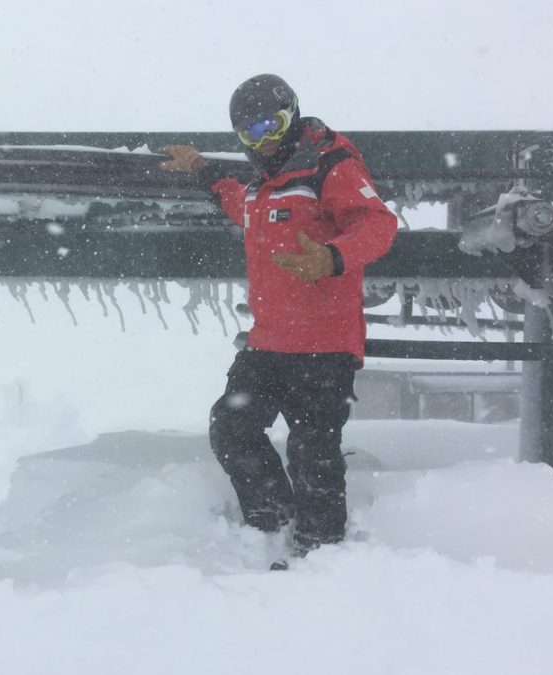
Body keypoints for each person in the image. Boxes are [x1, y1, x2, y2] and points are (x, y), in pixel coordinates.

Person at [160, 74, 397, 559]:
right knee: (232, 427)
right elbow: (239, 205)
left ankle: (321, 548)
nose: (263, 140)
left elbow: (378, 224)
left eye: (272, 125)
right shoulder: (262, 187)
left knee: (313, 449)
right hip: (269, 342)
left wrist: (331, 256)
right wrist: (202, 168)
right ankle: (271, 526)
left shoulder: (329, 165)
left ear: (292, 114)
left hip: (326, 343)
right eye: (250, 133)